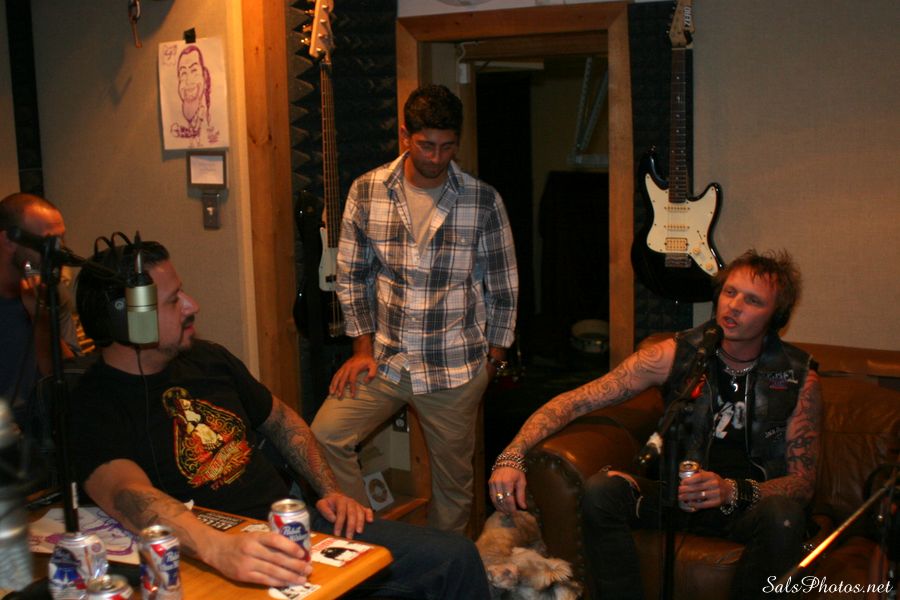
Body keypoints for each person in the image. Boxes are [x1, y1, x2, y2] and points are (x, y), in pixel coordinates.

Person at [69, 238, 490, 597]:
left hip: (298, 526)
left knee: (456, 557)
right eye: (173, 300)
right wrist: (218, 549)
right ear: (131, 320)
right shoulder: (92, 403)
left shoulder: (208, 357)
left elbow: (283, 422)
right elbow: (127, 494)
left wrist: (331, 490)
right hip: (217, 554)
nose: (192, 305)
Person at [489, 249, 822, 600]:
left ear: (775, 315)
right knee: (602, 491)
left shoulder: (799, 377)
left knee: (784, 514)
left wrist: (730, 490)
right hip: (676, 497)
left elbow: (803, 483)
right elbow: (576, 400)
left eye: (753, 300)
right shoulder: (678, 353)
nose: (734, 305)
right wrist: (513, 454)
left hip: (745, 506)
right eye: (730, 292)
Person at [311, 84, 519, 534]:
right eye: (426, 145)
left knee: (454, 488)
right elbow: (353, 275)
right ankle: (368, 542)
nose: (436, 157)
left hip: (455, 368)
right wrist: (360, 349)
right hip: (385, 361)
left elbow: (503, 287)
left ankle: (440, 566)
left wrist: (494, 361)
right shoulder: (367, 190)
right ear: (405, 134)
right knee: (326, 435)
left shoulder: (483, 200)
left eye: (447, 146)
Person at [0, 193, 80, 433]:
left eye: (61, 239)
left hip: (42, 431)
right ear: (9, 241)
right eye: (48, 242)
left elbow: (68, 380)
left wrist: (42, 319)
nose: (58, 251)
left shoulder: (53, 292)